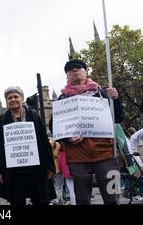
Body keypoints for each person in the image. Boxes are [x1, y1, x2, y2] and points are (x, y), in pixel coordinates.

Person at [51, 59, 125, 205]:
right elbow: (55, 127)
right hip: (78, 158)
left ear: (85, 72)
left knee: (113, 197)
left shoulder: (102, 93)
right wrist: (67, 139)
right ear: (67, 75)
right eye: (71, 69)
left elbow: (118, 118)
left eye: (78, 68)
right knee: (82, 199)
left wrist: (116, 99)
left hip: (106, 155)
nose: (75, 71)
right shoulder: (62, 98)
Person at [0, 86, 55, 205]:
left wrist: (49, 166)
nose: (13, 99)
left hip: (36, 169)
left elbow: (44, 143)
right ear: (6, 101)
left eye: (16, 96)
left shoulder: (34, 116)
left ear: (22, 98)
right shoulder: (1, 120)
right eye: (9, 97)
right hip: (13, 172)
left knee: (41, 200)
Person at [49, 135, 64, 205]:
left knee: (52, 186)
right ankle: (57, 201)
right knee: (58, 187)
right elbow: (56, 155)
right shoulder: (57, 144)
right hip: (57, 168)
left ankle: (57, 201)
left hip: (49, 169)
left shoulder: (44, 143)